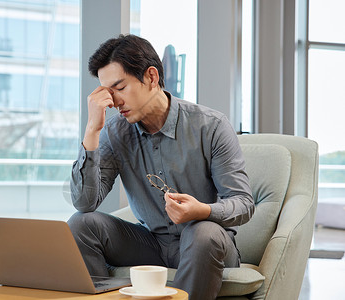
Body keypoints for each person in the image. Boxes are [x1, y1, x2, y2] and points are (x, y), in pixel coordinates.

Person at [68, 34, 254, 300]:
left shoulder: (211, 126)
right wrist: (92, 130)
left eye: (120, 88)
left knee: (203, 232)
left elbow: (243, 203)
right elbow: (85, 203)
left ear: (151, 77)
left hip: (206, 243)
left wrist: (202, 211)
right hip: (152, 243)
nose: (114, 101)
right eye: (108, 93)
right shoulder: (113, 132)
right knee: (81, 224)